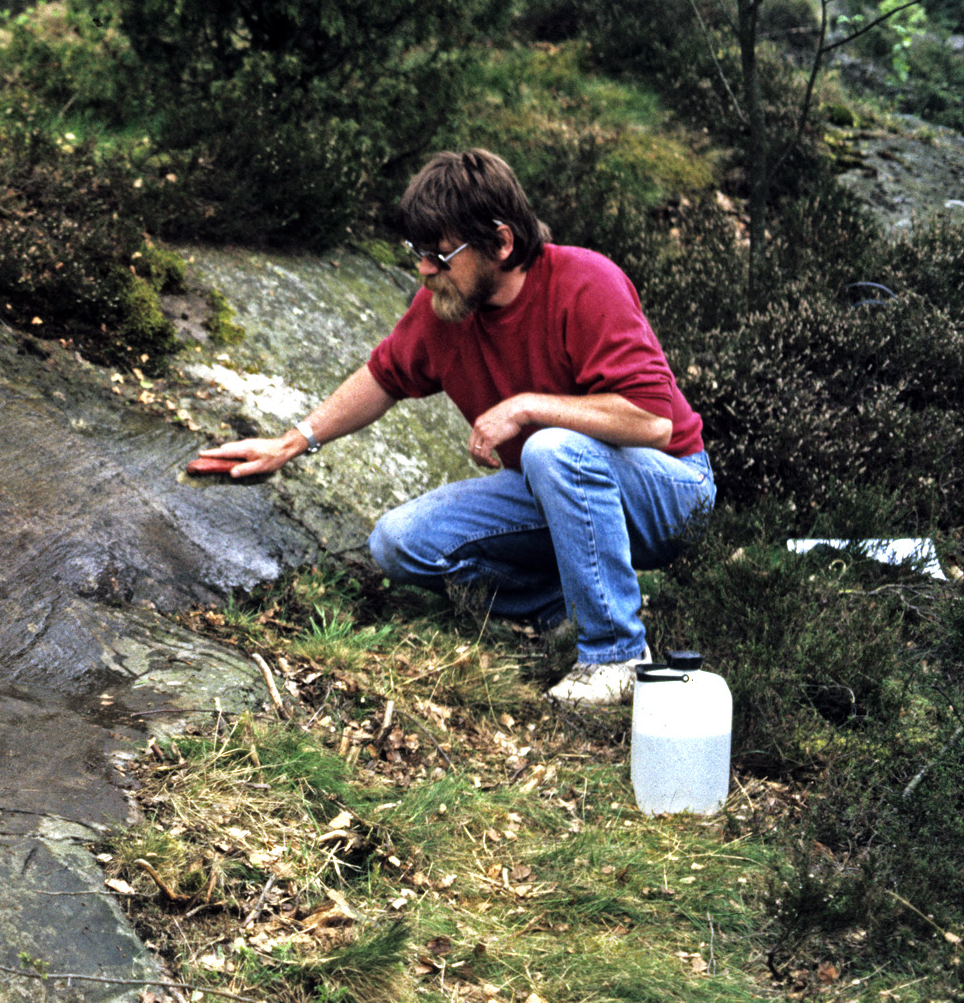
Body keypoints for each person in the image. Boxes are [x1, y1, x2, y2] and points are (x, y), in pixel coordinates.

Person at [195, 149, 714, 705]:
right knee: (399, 543)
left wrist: (526, 407)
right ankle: (562, 611)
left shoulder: (586, 282)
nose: (425, 269)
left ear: (502, 241)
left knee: (551, 447)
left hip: (671, 493)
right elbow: (384, 376)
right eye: (418, 252)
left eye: (441, 254)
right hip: (555, 489)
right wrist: (292, 442)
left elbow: (654, 421)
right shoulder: (447, 306)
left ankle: (616, 655)